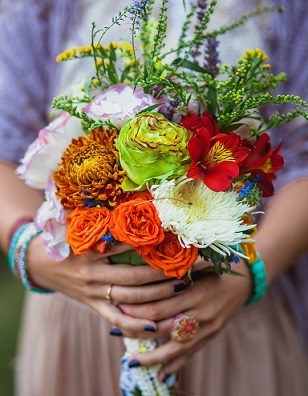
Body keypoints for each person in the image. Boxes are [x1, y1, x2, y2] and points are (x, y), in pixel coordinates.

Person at [0, 1, 308, 395]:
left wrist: (249, 275)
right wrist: (37, 256)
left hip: (228, 312)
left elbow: (301, 158)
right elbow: (6, 153)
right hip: (78, 317)